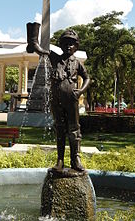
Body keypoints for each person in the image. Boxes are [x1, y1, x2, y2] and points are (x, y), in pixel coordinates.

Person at [26, 22, 90, 171]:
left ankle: (75, 159)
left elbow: (87, 78)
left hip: (71, 100)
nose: (69, 46)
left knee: (74, 130)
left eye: (72, 44)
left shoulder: (77, 63)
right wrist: (33, 38)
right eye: (65, 43)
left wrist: (80, 91)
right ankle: (60, 160)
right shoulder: (54, 58)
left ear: (76, 46)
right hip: (57, 100)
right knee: (60, 129)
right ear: (61, 45)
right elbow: (39, 50)